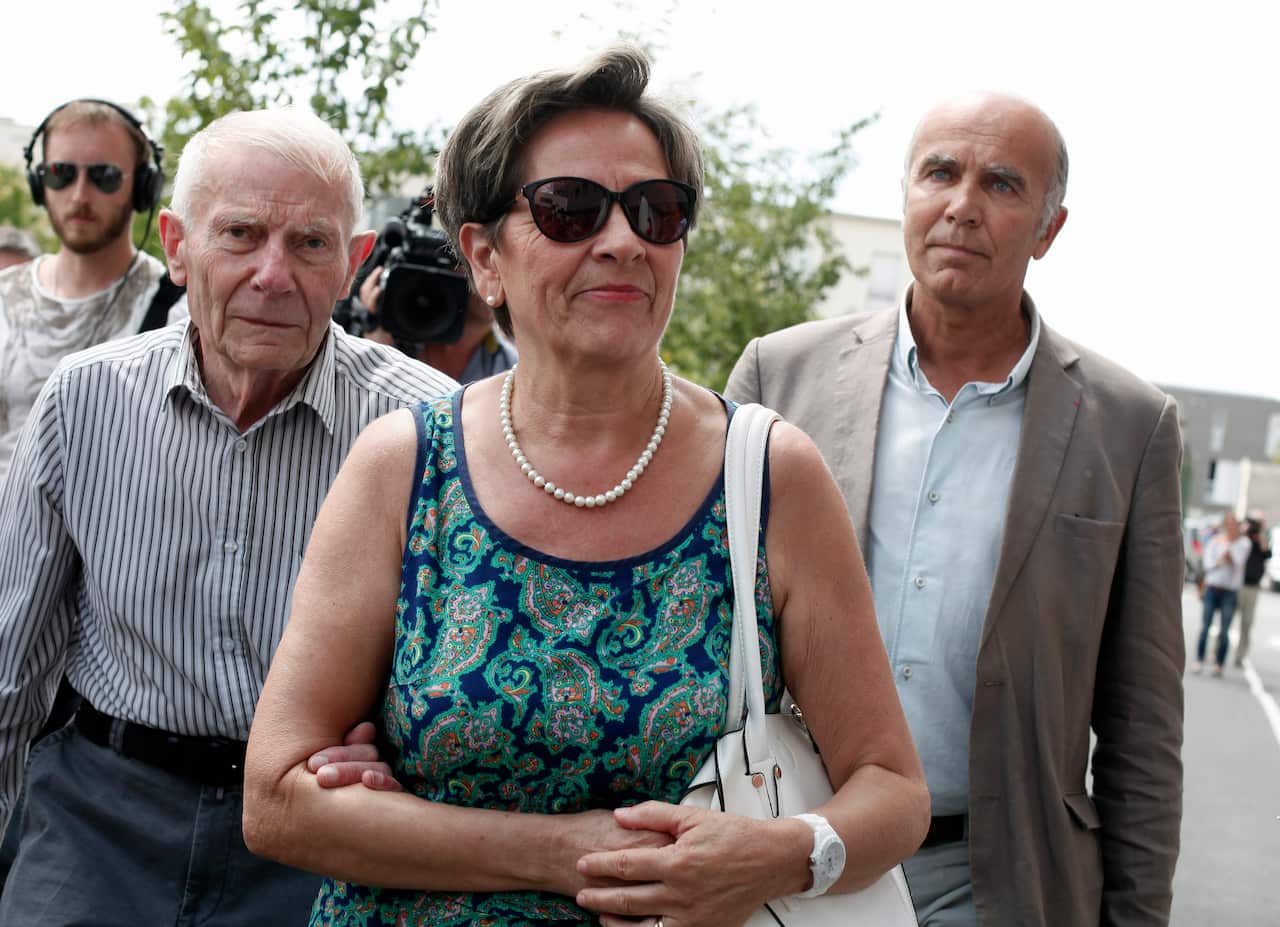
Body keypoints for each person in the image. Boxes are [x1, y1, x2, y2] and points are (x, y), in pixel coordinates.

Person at [243, 46, 930, 927]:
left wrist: (782, 852)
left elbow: (894, 791)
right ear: (484, 258)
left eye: (656, 210)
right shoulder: (404, 466)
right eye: (569, 210)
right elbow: (275, 799)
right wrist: (563, 850)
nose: (622, 241)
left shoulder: (768, 474)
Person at [726, 92, 1185, 926]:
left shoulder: (1129, 427)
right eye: (940, 172)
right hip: (790, 856)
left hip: (1001, 879)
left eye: (1003, 184)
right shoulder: (777, 376)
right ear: (906, 194)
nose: (962, 205)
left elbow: (1143, 729)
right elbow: (700, 633)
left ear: (1049, 229)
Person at [0, 106, 457, 925]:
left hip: (322, 833)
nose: (272, 275)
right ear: (177, 246)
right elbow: (11, 667)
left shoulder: (430, 428)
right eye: (240, 234)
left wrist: (397, 752)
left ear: (353, 262)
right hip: (99, 817)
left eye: (311, 243)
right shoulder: (84, 399)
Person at [0, 99, 187, 483]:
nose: (79, 195)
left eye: (104, 176)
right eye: (60, 173)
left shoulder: (177, 312)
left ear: (143, 188)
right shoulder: (3, 297)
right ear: (39, 182)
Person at [358, 265, 517, 383]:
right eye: (485, 264)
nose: (495, 279)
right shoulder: (389, 342)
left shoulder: (514, 369)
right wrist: (374, 352)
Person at [1194, 512, 1252, 676]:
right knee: (1205, 626)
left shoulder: (1243, 543)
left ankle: (1219, 664)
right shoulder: (1214, 540)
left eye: (1234, 524)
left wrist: (1227, 553)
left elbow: (1237, 562)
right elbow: (1208, 564)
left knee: (1225, 630)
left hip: (1230, 591)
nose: (1231, 527)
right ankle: (1199, 659)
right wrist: (1221, 559)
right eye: (1229, 524)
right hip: (1213, 588)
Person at [1234, 515, 1271, 667]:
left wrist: (1260, 533)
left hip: (1253, 587)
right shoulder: (1243, 538)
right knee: (1227, 618)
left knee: (1247, 622)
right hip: (1237, 584)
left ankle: (1240, 655)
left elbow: (1266, 552)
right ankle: (1217, 652)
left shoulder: (1261, 539)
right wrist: (1243, 531)